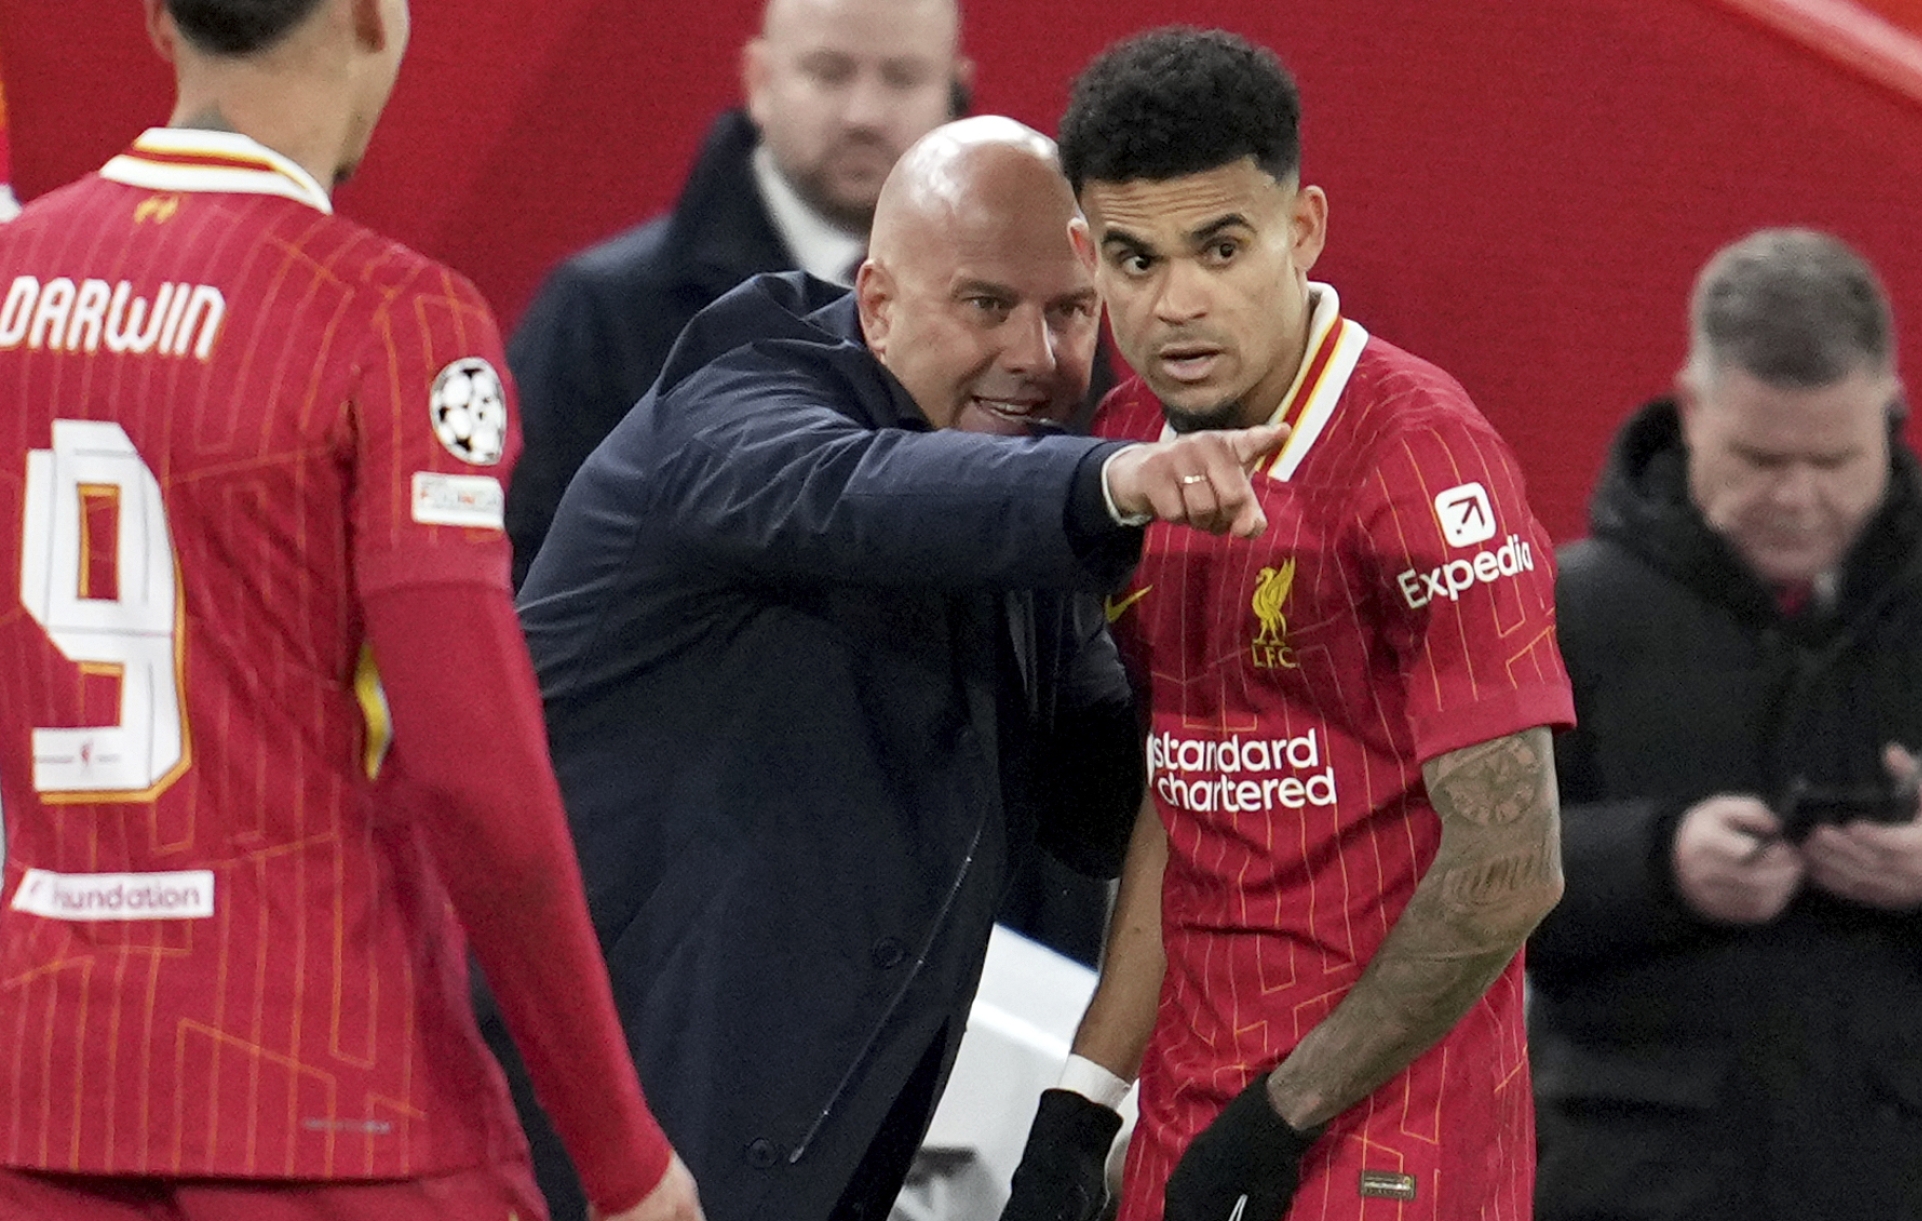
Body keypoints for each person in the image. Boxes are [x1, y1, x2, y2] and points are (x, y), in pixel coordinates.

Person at [512, 115, 1291, 1221]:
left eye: (1070, 313)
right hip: (566, 1144)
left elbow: (1095, 799)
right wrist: (1114, 486)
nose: (1036, 357)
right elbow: (856, 494)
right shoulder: (739, 394)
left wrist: (1252, 655)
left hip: (804, 1164)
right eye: (986, 306)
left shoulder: (1030, 527)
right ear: (876, 303)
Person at [0, 2, 699, 1220]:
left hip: (44, 1093)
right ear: (379, 14)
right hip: (333, 1095)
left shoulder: (13, 287)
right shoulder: (391, 319)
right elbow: (480, 782)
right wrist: (620, 1148)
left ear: (158, 21)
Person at [1002, 28, 1575, 1221]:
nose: (1180, 303)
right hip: (1188, 1131)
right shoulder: (1125, 447)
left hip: (1391, 1146)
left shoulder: (1423, 457)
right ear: (1086, 257)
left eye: (1221, 247)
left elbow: (1508, 869)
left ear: (1302, 230)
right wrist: (1083, 1099)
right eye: (1136, 259)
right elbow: (1187, 782)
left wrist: (1277, 1122)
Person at [1524, 228, 1922, 1221]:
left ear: (1891, 419)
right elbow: (1431, 873)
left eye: (1834, 459)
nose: (1798, 497)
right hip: (1636, 1177)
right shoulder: (1555, 612)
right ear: (1691, 412)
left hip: (1913, 1179)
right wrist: (1659, 864)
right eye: (1760, 457)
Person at [503, 0, 968, 585]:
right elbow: (528, 588)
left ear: (955, 90)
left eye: (902, 77)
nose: (864, 114)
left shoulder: (1031, 316)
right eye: (828, 72)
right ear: (759, 81)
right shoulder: (601, 313)